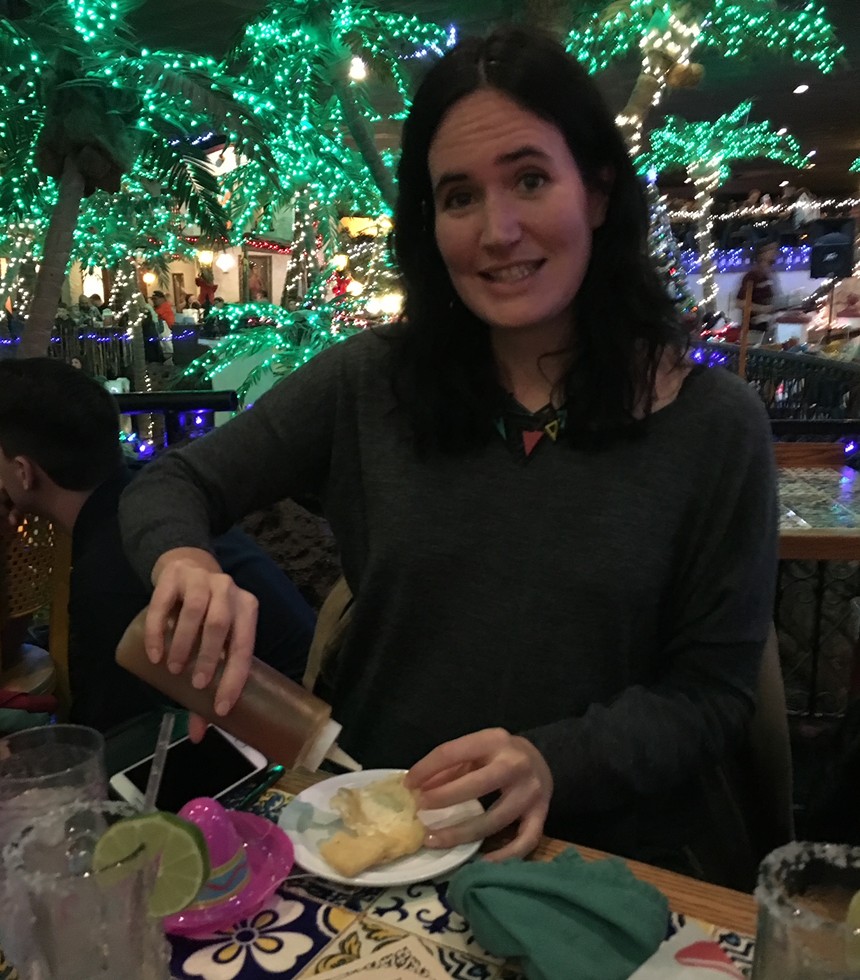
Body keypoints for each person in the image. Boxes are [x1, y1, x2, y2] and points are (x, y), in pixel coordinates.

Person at [119, 28, 777, 878]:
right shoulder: (372, 380)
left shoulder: (714, 425)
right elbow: (171, 479)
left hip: (603, 859)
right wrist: (184, 561)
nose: (497, 230)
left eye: (531, 179)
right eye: (459, 197)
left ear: (600, 192)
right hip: (379, 841)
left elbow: (714, 696)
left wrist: (552, 760)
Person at [0, 359, 317, 734]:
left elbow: (109, 740)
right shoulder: (141, 498)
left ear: (23, 471)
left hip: (292, 750)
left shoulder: (110, 574)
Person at [736, 240, 780, 345]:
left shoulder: (769, 274)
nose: (775, 252)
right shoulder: (752, 276)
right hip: (752, 331)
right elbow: (740, 302)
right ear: (762, 253)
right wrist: (762, 309)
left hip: (767, 328)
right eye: (771, 249)